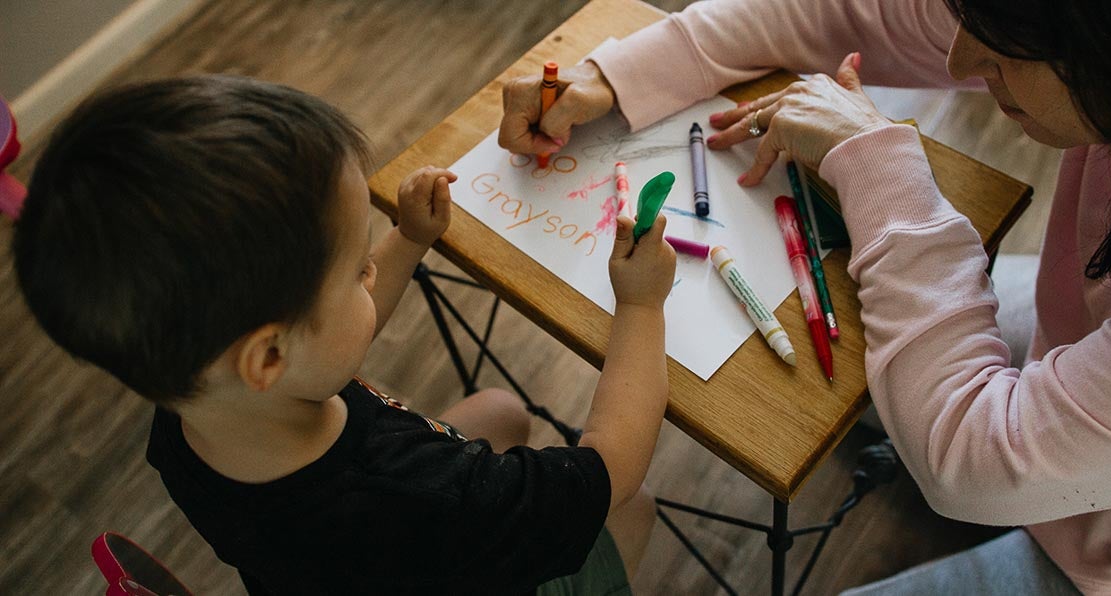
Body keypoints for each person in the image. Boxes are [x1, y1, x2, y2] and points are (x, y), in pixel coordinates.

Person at [498, 0, 1111, 593]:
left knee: (906, 404)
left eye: (1005, 54)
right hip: (1087, 342)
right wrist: (608, 77)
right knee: (871, 381)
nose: (959, 64)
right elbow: (841, 12)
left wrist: (881, 163)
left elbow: (972, 461)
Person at [13, 75, 677, 594]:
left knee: (501, 410)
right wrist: (642, 306)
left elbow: (321, 342)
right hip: (458, 562)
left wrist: (408, 240)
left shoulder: (192, 408)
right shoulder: (425, 499)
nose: (372, 272)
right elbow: (610, 470)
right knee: (637, 507)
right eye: (359, 269)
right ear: (267, 355)